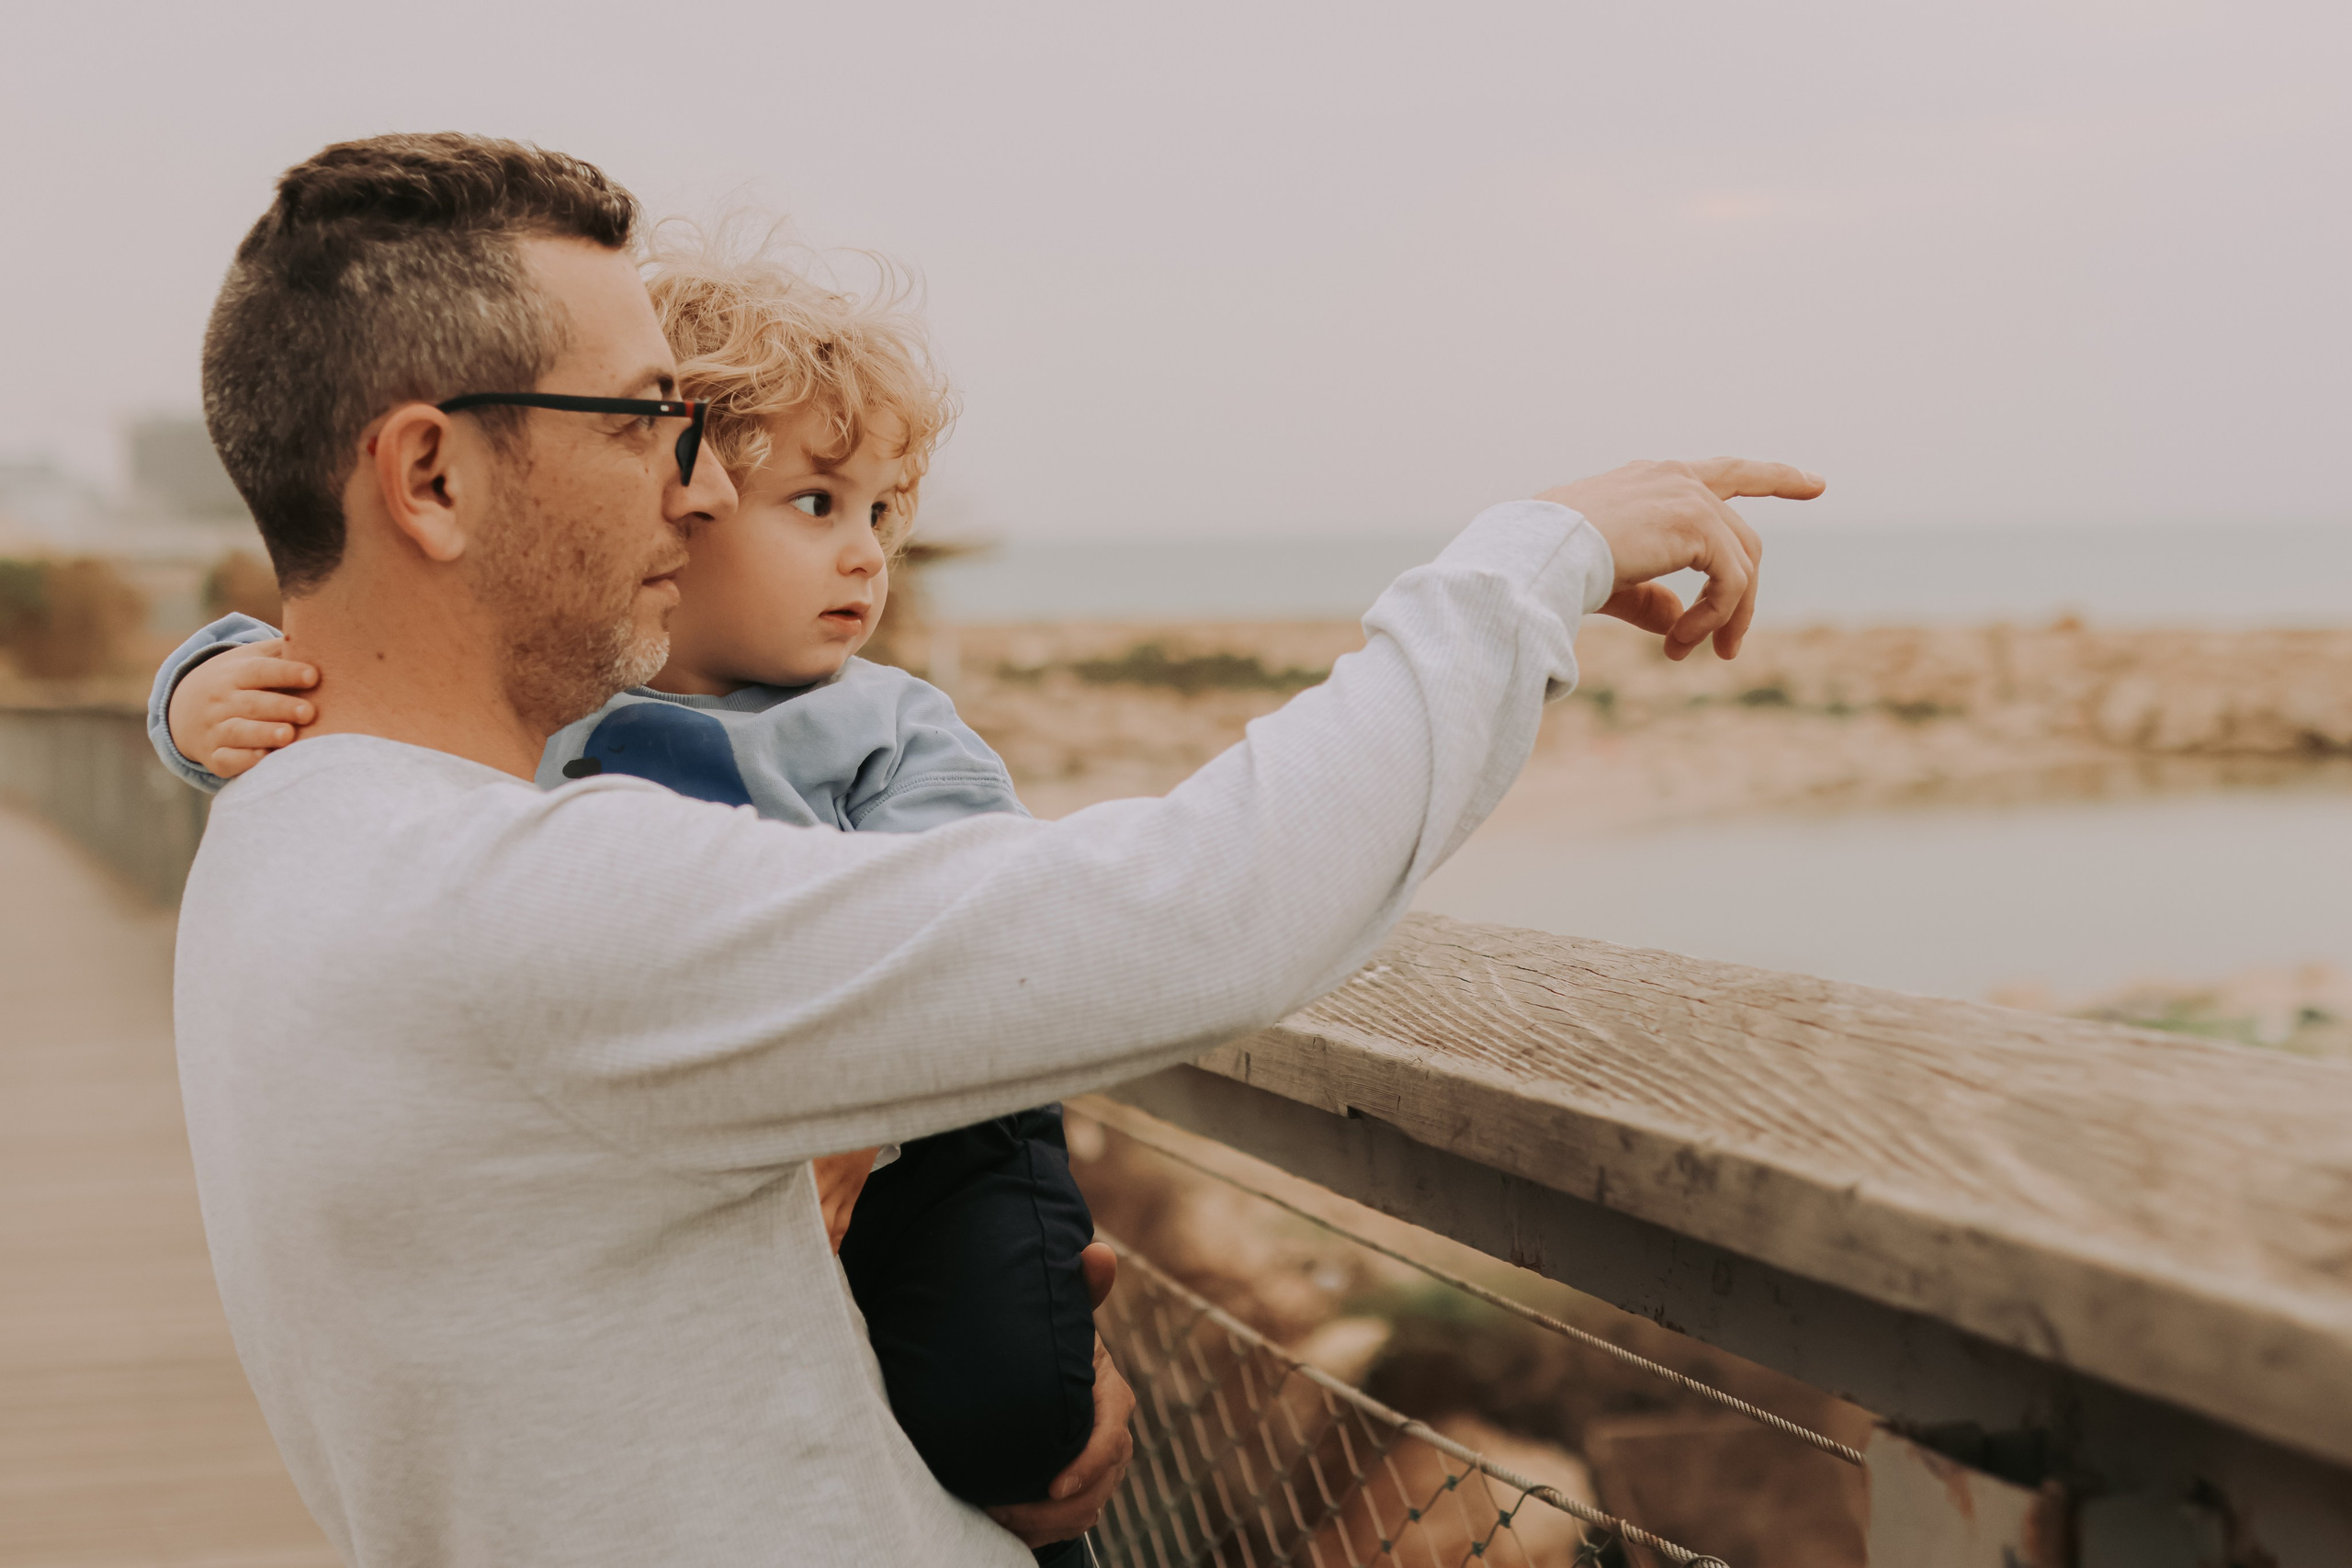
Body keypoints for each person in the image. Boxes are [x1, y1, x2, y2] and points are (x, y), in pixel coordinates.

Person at [175, 130, 1817, 1568]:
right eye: (641, 420)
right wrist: (1532, 564)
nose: (689, 490)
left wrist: (943, 1428)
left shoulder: (282, 836)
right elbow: (1197, 917)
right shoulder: (524, 908)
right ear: (432, 475)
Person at [153, 231, 1105, 1554]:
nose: (867, 559)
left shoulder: (888, 726)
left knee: (1014, 1409)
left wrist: (861, 1130)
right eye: (818, 505)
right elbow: (309, 652)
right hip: (694, 1137)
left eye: (887, 515)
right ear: (681, 495)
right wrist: (190, 698)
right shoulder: (554, 690)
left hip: (909, 1136)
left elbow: (974, 936)